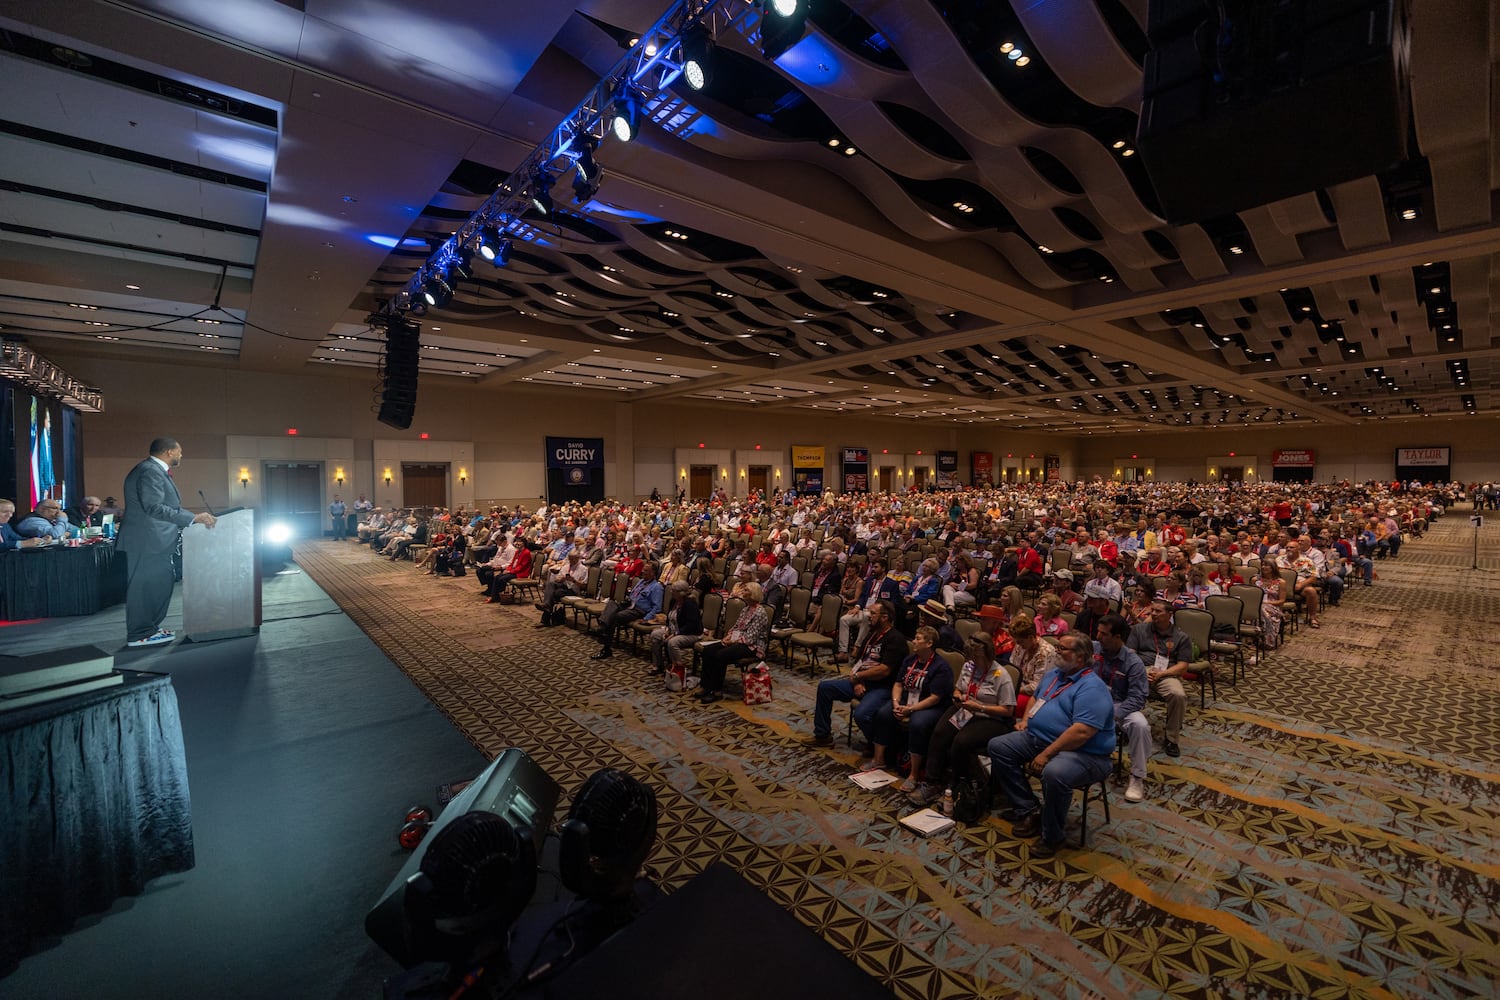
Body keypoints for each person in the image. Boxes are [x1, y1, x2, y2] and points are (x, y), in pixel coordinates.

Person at [987, 631, 1116, 858]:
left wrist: (1047, 754)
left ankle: (1052, 835)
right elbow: (1037, 698)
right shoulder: (1055, 674)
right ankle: (1029, 809)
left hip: (1085, 753)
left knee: (1055, 773)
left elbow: (1081, 732)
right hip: (1039, 738)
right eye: (1057, 647)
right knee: (999, 747)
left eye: (1063, 648)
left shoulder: (1093, 688)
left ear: (1080, 657)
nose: (1056, 651)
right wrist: (1026, 721)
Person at [117, 437, 216, 647]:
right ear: (170, 452)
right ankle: (140, 633)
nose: (182, 455)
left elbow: (164, 506)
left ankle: (150, 628)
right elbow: (153, 507)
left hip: (153, 541)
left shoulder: (153, 470)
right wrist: (193, 518)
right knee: (145, 588)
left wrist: (192, 518)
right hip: (147, 541)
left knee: (157, 585)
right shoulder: (150, 471)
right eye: (180, 451)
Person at [909, 632, 1015, 807]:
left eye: (975, 656)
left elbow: (1008, 710)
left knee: (961, 741)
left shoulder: (1000, 675)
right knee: (940, 732)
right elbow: (958, 689)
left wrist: (980, 707)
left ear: (985, 654)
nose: (972, 660)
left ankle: (956, 786)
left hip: (991, 718)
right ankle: (932, 782)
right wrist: (958, 697)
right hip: (966, 710)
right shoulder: (968, 666)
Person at [803, 600, 909, 749]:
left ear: (884, 617)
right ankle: (822, 735)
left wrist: (860, 678)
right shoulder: (872, 635)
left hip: (882, 687)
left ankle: (880, 745)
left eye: (873, 613)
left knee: (861, 714)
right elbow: (859, 661)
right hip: (864, 682)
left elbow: (884, 670)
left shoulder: (896, 639)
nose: (868, 616)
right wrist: (859, 681)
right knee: (825, 688)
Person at [870, 625, 954, 789]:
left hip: (930, 706)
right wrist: (896, 702)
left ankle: (914, 774)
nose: (913, 641)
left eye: (918, 639)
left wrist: (910, 710)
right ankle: (878, 760)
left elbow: (934, 698)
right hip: (907, 701)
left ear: (929, 643)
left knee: (918, 723)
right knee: (883, 713)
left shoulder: (940, 666)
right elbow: (898, 684)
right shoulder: (910, 660)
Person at [1093, 614, 1150, 802]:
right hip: (1091, 701)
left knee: (1140, 725)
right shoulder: (1093, 650)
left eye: (1104, 634)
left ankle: (1137, 777)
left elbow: (1138, 697)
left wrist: (1113, 715)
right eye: (1098, 632)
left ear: (1118, 638)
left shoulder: (1133, 662)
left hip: (1119, 705)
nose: (1098, 637)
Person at [1125, 599, 1191, 758]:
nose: (1153, 614)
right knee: (1117, 684)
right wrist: (1140, 671)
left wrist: (1162, 674)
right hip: (1140, 669)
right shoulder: (1138, 629)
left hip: (1166, 673)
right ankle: (1121, 727)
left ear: (1169, 615)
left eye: (1158, 611)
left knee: (1178, 695)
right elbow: (1129, 655)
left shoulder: (1181, 636)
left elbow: (1183, 666)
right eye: (1152, 611)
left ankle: (1171, 739)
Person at [697, 582, 769, 702]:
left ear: (753, 593)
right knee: (708, 650)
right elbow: (736, 627)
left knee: (721, 655)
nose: (742, 593)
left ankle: (716, 691)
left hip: (753, 647)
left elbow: (750, 638)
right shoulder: (746, 609)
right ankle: (705, 686)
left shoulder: (759, 612)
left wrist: (732, 642)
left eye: (746, 591)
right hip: (738, 641)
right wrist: (728, 636)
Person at [591, 563, 662, 660]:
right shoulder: (641, 582)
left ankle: (606, 646)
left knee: (615, 616)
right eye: (643, 570)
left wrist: (646, 619)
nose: (642, 572)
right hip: (629, 605)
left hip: (639, 610)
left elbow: (657, 608)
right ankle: (603, 628)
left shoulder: (656, 587)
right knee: (611, 603)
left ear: (653, 573)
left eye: (645, 570)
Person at [648, 581, 703, 676]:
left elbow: (691, 625)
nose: (671, 592)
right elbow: (670, 619)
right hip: (675, 630)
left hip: (691, 633)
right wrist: (667, 631)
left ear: (680, 593)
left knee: (672, 642)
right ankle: (658, 665)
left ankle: (678, 667)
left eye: (673, 591)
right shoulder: (673, 601)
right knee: (655, 635)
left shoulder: (690, 604)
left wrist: (675, 634)